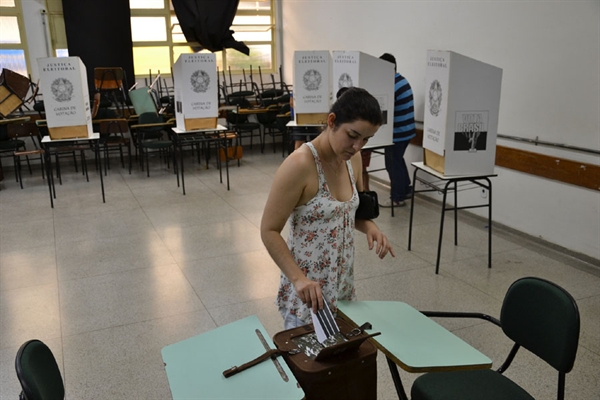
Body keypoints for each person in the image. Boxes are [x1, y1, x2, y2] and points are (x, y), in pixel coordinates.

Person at [261, 87, 395, 330]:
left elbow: (347, 212)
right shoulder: (300, 165)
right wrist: (298, 279)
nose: (357, 146)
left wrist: (370, 227)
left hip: (341, 288)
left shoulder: (351, 159)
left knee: (339, 361)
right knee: (306, 364)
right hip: (306, 291)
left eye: (365, 139)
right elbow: (269, 230)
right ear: (332, 121)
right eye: (352, 135)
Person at [379, 53, 416, 207]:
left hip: (398, 133)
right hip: (406, 130)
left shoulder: (392, 85)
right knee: (398, 161)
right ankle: (406, 189)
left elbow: (385, 109)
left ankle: (397, 197)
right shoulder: (401, 80)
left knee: (392, 164)